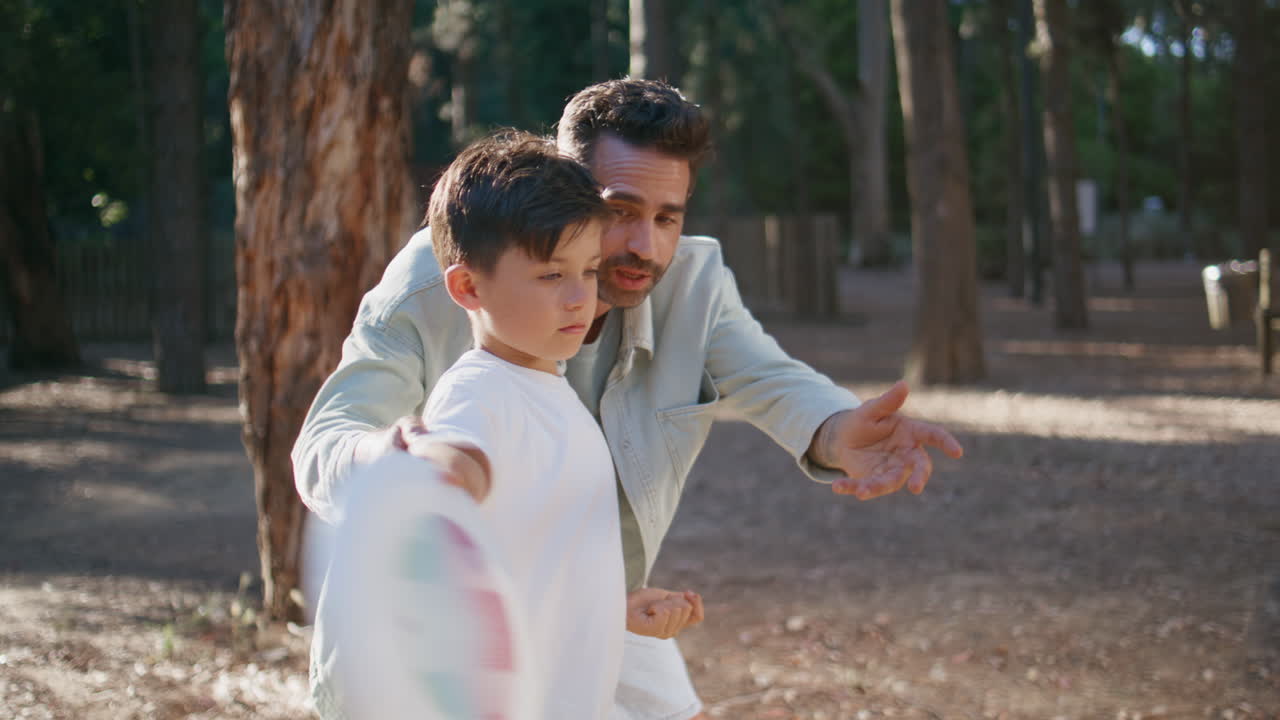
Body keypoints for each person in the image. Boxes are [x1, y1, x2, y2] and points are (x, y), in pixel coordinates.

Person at [294, 78, 963, 720]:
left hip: (580, 644)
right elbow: (328, 440)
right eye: (619, 213)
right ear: (564, 188)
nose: (645, 246)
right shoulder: (439, 279)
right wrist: (399, 461)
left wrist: (836, 428)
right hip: (427, 670)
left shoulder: (694, 281)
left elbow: (770, 376)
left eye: (667, 217)